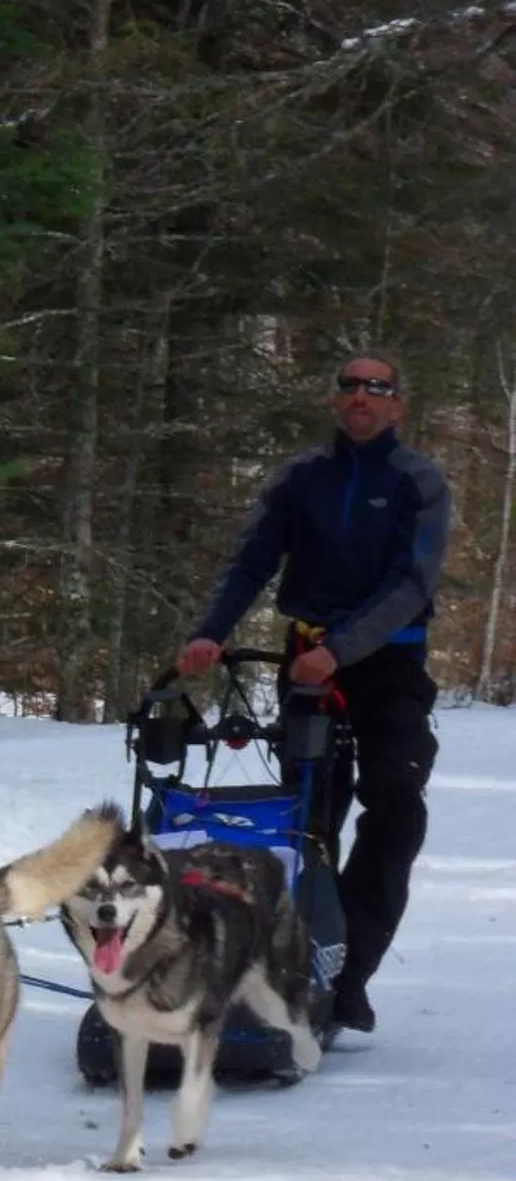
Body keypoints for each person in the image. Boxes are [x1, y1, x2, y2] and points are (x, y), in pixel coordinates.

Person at [175, 353, 452, 1043]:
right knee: (307, 819)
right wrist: (210, 632)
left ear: (397, 404)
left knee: (395, 805)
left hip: (388, 666)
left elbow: (412, 583)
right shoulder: (301, 477)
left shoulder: (418, 481)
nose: (361, 396)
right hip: (307, 662)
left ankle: (347, 976)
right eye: (349, 386)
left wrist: (343, 650)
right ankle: (287, 970)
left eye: (376, 388)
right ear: (335, 400)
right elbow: (251, 561)